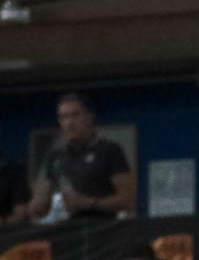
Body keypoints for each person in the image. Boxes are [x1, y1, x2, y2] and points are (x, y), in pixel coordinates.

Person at [27, 92, 135, 222]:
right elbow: (42, 207)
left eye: (75, 115)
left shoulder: (109, 150)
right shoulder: (56, 158)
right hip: (68, 233)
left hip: (104, 232)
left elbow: (127, 200)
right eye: (64, 117)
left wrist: (88, 203)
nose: (69, 123)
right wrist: (38, 205)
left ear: (89, 117)